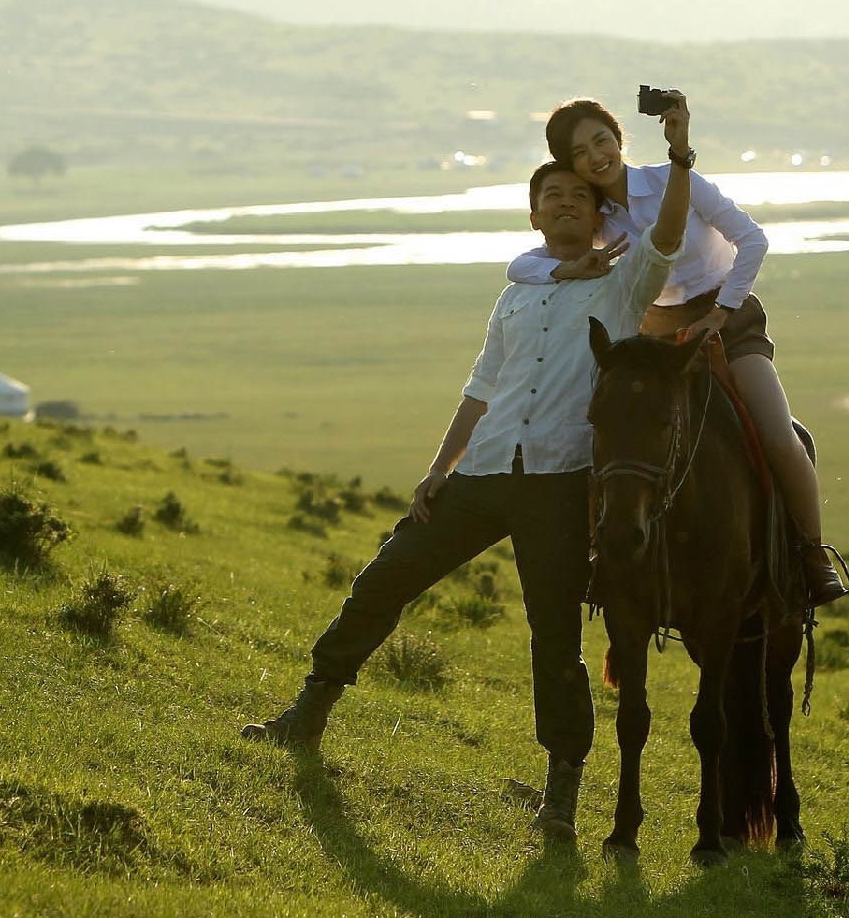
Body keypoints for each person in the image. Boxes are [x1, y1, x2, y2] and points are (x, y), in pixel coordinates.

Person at [242, 101, 699, 842]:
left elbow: (670, 236)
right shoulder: (517, 292)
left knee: (554, 639)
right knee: (385, 578)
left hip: (557, 484)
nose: (565, 204)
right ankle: (309, 711)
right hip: (482, 475)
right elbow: (482, 387)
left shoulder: (619, 287)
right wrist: (436, 469)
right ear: (533, 217)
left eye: (578, 197)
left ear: (597, 215)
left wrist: (679, 158)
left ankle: (561, 789)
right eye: (551, 197)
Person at [507, 93, 849, 606]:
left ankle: (810, 555)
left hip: (728, 321)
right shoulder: (592, 216)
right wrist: (563, 270)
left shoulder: (674, 179)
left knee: (778, 433)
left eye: (601, 139)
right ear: (569, 163)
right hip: (657, 338)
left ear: (617, 139)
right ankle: (603, 558)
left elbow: (753, 239)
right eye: (580, 152)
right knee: (610, 437)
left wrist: (724, 310)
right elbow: (522, 265)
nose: (596, 155)